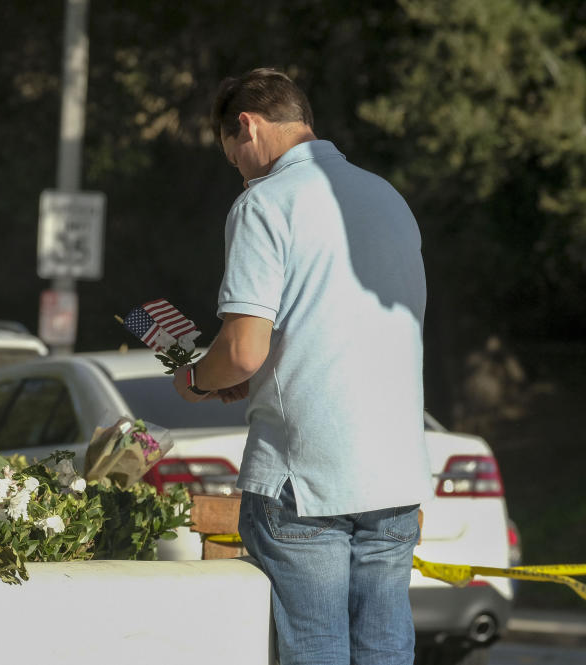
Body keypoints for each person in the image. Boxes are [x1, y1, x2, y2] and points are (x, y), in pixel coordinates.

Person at [173, 68, 434, 665]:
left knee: (314, 649)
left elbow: (242, 350)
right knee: (387, 648)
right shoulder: (386, 197)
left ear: (247, 125)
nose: (236, 169)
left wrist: (193, 379)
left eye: (230, 155)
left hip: (305, 474)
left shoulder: (264, 202)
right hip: (393, 472)